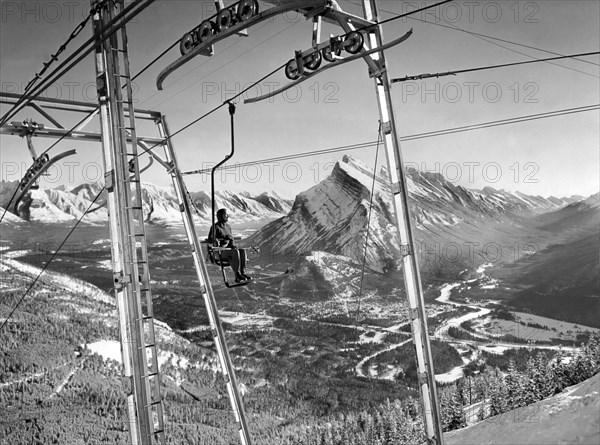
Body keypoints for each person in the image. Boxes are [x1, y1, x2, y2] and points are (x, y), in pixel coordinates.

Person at [208, 209, 252, 283]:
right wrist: (222, 238)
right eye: (225, 215)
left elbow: (231, 239)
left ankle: (242, 273)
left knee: (242, 251)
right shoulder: (215, 227)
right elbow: (210, 239)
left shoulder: (227, 227)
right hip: (219, 251)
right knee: (235, 252)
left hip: (228, 250)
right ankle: (237, 275)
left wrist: (232, 245)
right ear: (221, 216)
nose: (227, 216)